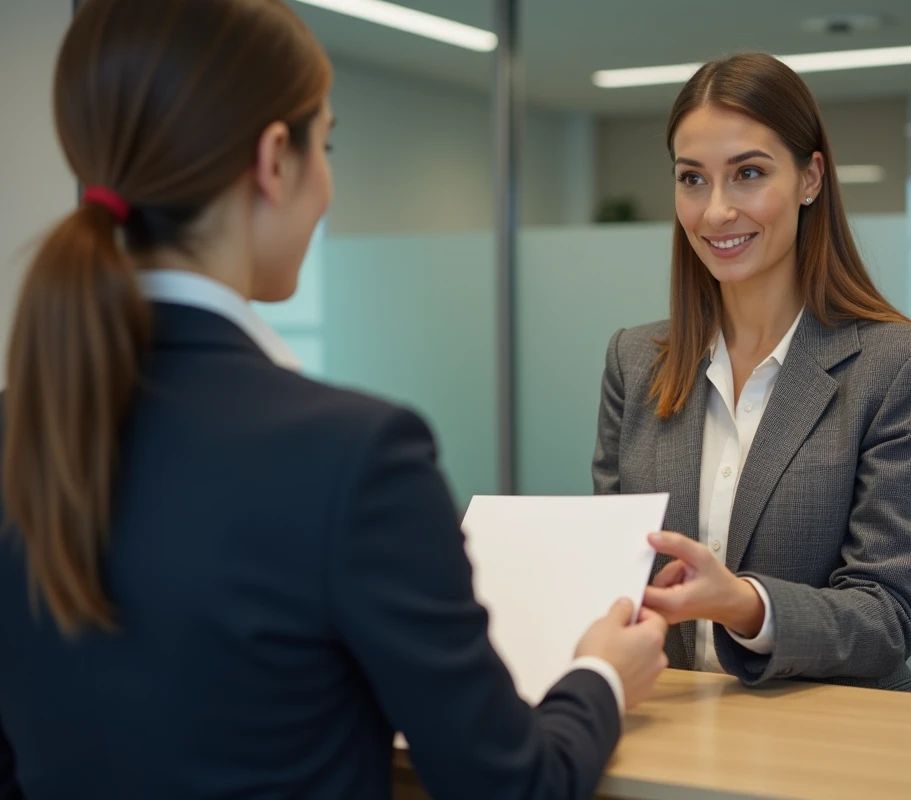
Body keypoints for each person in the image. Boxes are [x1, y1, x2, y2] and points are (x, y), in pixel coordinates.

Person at [0, 1, 667, 798]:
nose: (327, 181)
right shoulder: (354, 456)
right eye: (329, 140)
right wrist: (601, 675)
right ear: (274, 159)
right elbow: (513, 785)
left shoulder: (25, 423)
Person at [593, 53, 911, 692]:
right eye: (692, 179)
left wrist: (743, 603)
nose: (716, 212)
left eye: (748, 173)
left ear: (811, 177)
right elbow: (614, 568)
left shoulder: (898, 368)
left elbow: (886, 617)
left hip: (827, 735)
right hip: (673, 724)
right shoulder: (634, 360)